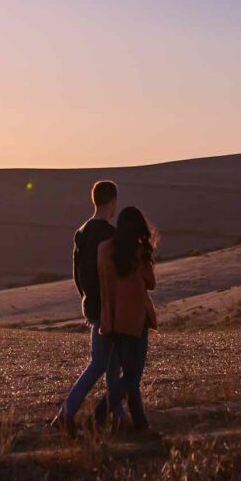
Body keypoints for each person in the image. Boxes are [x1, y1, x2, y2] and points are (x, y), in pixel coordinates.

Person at [51, 180, 123, 435]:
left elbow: (77, 274)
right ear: (112, 201)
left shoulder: (81, 232)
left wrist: (86, 300)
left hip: (92, 306)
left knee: (113, 363)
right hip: (108, 308)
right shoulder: (111, 235)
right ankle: (65, 414)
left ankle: (118, 418)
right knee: (101, 363)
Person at [96, 206, 158, 432]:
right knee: (133, 375)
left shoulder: (104, 250)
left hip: (115, 322)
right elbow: (151, 283)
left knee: (131, 376)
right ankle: (101, 410)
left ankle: (140, 423)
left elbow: (105, 287)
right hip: (137, 321)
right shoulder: (140, 252)